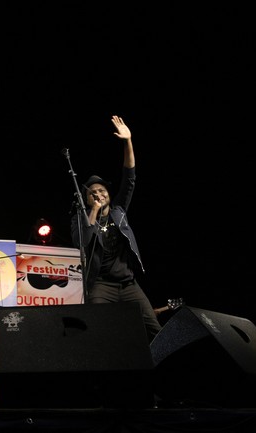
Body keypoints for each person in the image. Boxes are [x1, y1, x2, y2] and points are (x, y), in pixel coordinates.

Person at [71, 115, 162, 342]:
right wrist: (91, 211)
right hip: (101, 285)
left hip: (128, 283)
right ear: (87, 199)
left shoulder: (118, 210)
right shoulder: (80, 220)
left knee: (155, 330)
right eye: (93, 193)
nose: (99, 195)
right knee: (98, 331)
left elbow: (129, 177)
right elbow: (81, 242)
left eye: (102, 191)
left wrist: (127, 141)